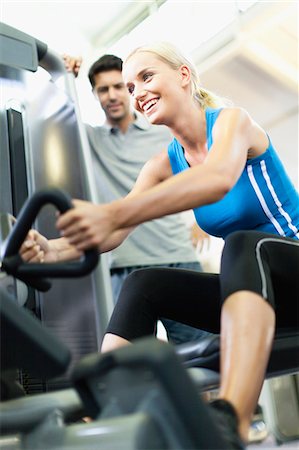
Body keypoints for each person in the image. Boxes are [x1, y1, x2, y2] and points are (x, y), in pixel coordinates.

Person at [23, 42, 299, 448]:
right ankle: (96, 419)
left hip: (290, 269)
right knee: (145, 283)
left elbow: (219, 177)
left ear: (183, 76)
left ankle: (231, 419)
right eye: (132, 88)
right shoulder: (162, 164)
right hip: (259, 290)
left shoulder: (232, 123)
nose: (137, 93)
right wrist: (50, 250)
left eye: (146, 78)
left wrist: (114, 213)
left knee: (242, 244)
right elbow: (113, 233)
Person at [62, 53, 209, 345]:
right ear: (94, 94)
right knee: (133, 366)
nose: (112, 95)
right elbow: (56, 119)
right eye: (103, 89)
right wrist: (66, 76)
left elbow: (203, 170)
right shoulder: (90, 139)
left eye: (119, 87)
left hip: (176, 256)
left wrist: (202, 218)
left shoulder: (159, 132)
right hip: (123, 265)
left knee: (201, 360)